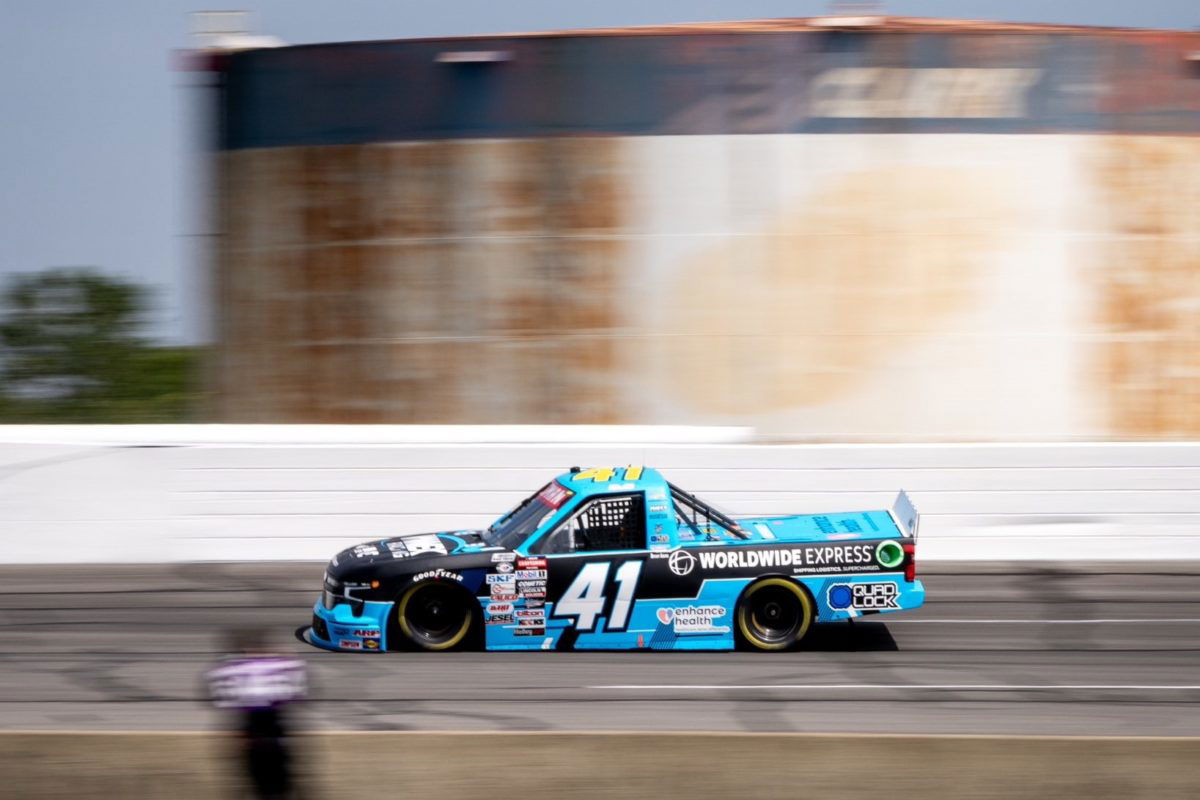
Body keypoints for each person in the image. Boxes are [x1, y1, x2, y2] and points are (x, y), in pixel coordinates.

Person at [207, 628, 307, 799]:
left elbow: (218, 697)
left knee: (252, 782)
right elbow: (298, 692)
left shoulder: (232, 671)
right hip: (274, 739)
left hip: (254, 740)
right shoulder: (282, 666)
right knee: (281, 784)